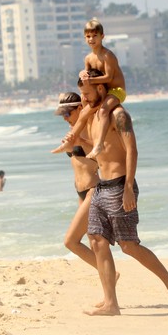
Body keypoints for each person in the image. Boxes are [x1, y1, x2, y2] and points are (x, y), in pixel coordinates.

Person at [79, 70, 168, 316]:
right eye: (82, 95)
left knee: (128, 245)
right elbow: (101, 150)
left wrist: (128, 188)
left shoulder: (118, 115)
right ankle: (111, 304)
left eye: (87, 94)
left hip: (119, 186)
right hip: (101, 186)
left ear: (102, 89)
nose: (84, 99)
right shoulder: (95, 118)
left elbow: (131, 151)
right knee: (96, 241)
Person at [52, 19, 126, 160]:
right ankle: (70, 141)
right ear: (85, 38)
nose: (91, 39)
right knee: (84, 111)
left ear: (102, 36)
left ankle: (98, 144)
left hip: (116, 91)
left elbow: (109, 78)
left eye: (95, 36)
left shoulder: (107, 56)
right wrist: (82, 74)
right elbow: (86, 80)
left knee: (103, 110)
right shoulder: (88, 58)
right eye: (88, 36)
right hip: (100, 90)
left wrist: (90, 80)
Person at [53, 92, 100, 272]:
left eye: (67, 114)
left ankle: (109, 272)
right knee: (94, 243)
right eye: (62, 115)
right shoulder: (76, 130)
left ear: (80, 108)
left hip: (93, 190)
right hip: (81, 194)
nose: (65, 119)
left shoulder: (91, 128)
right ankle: (109, 286)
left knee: (71, 241)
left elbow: (101, 153)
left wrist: (79, 141)